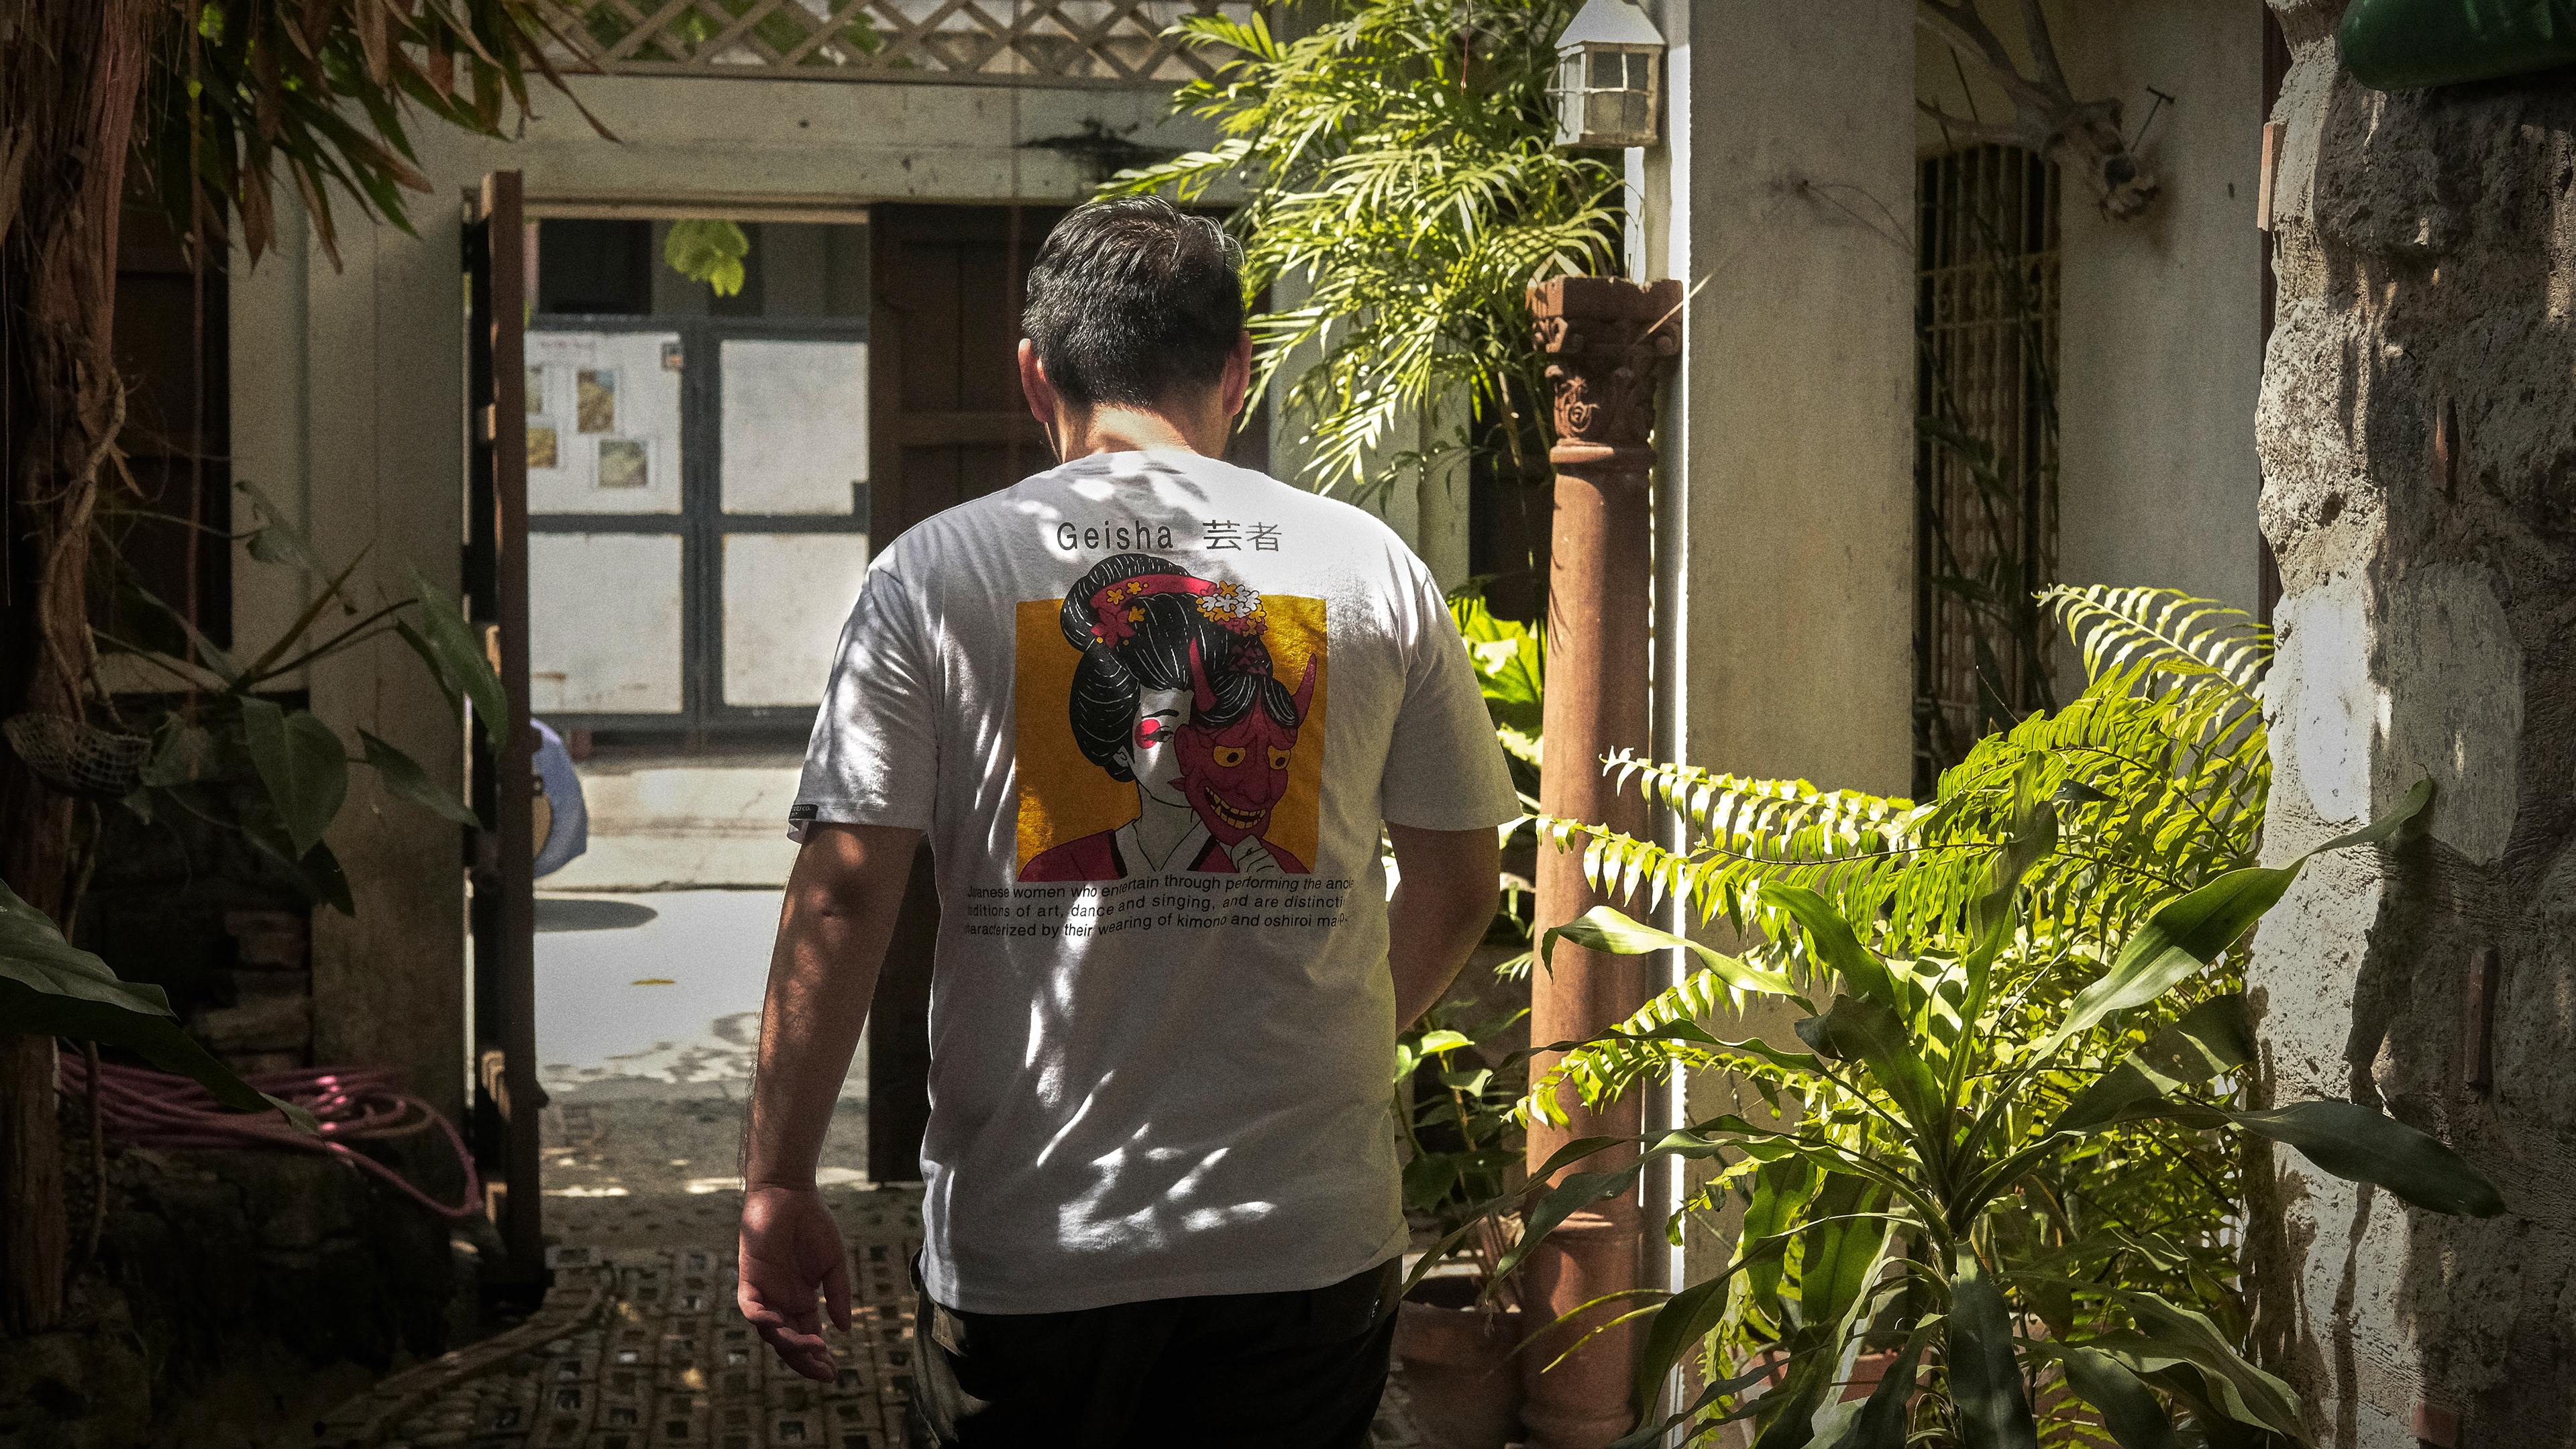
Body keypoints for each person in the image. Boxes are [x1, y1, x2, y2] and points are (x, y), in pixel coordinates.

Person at [735, 195, 1515, 1448]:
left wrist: (778, 1178)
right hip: (1304, 1246)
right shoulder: (1371, 568)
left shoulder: (934, 574)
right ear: (1239, 372)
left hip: (1034, 1251)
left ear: (1035, 376)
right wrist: (1335, 1037)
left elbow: (843, 893)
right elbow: (1463, 885)